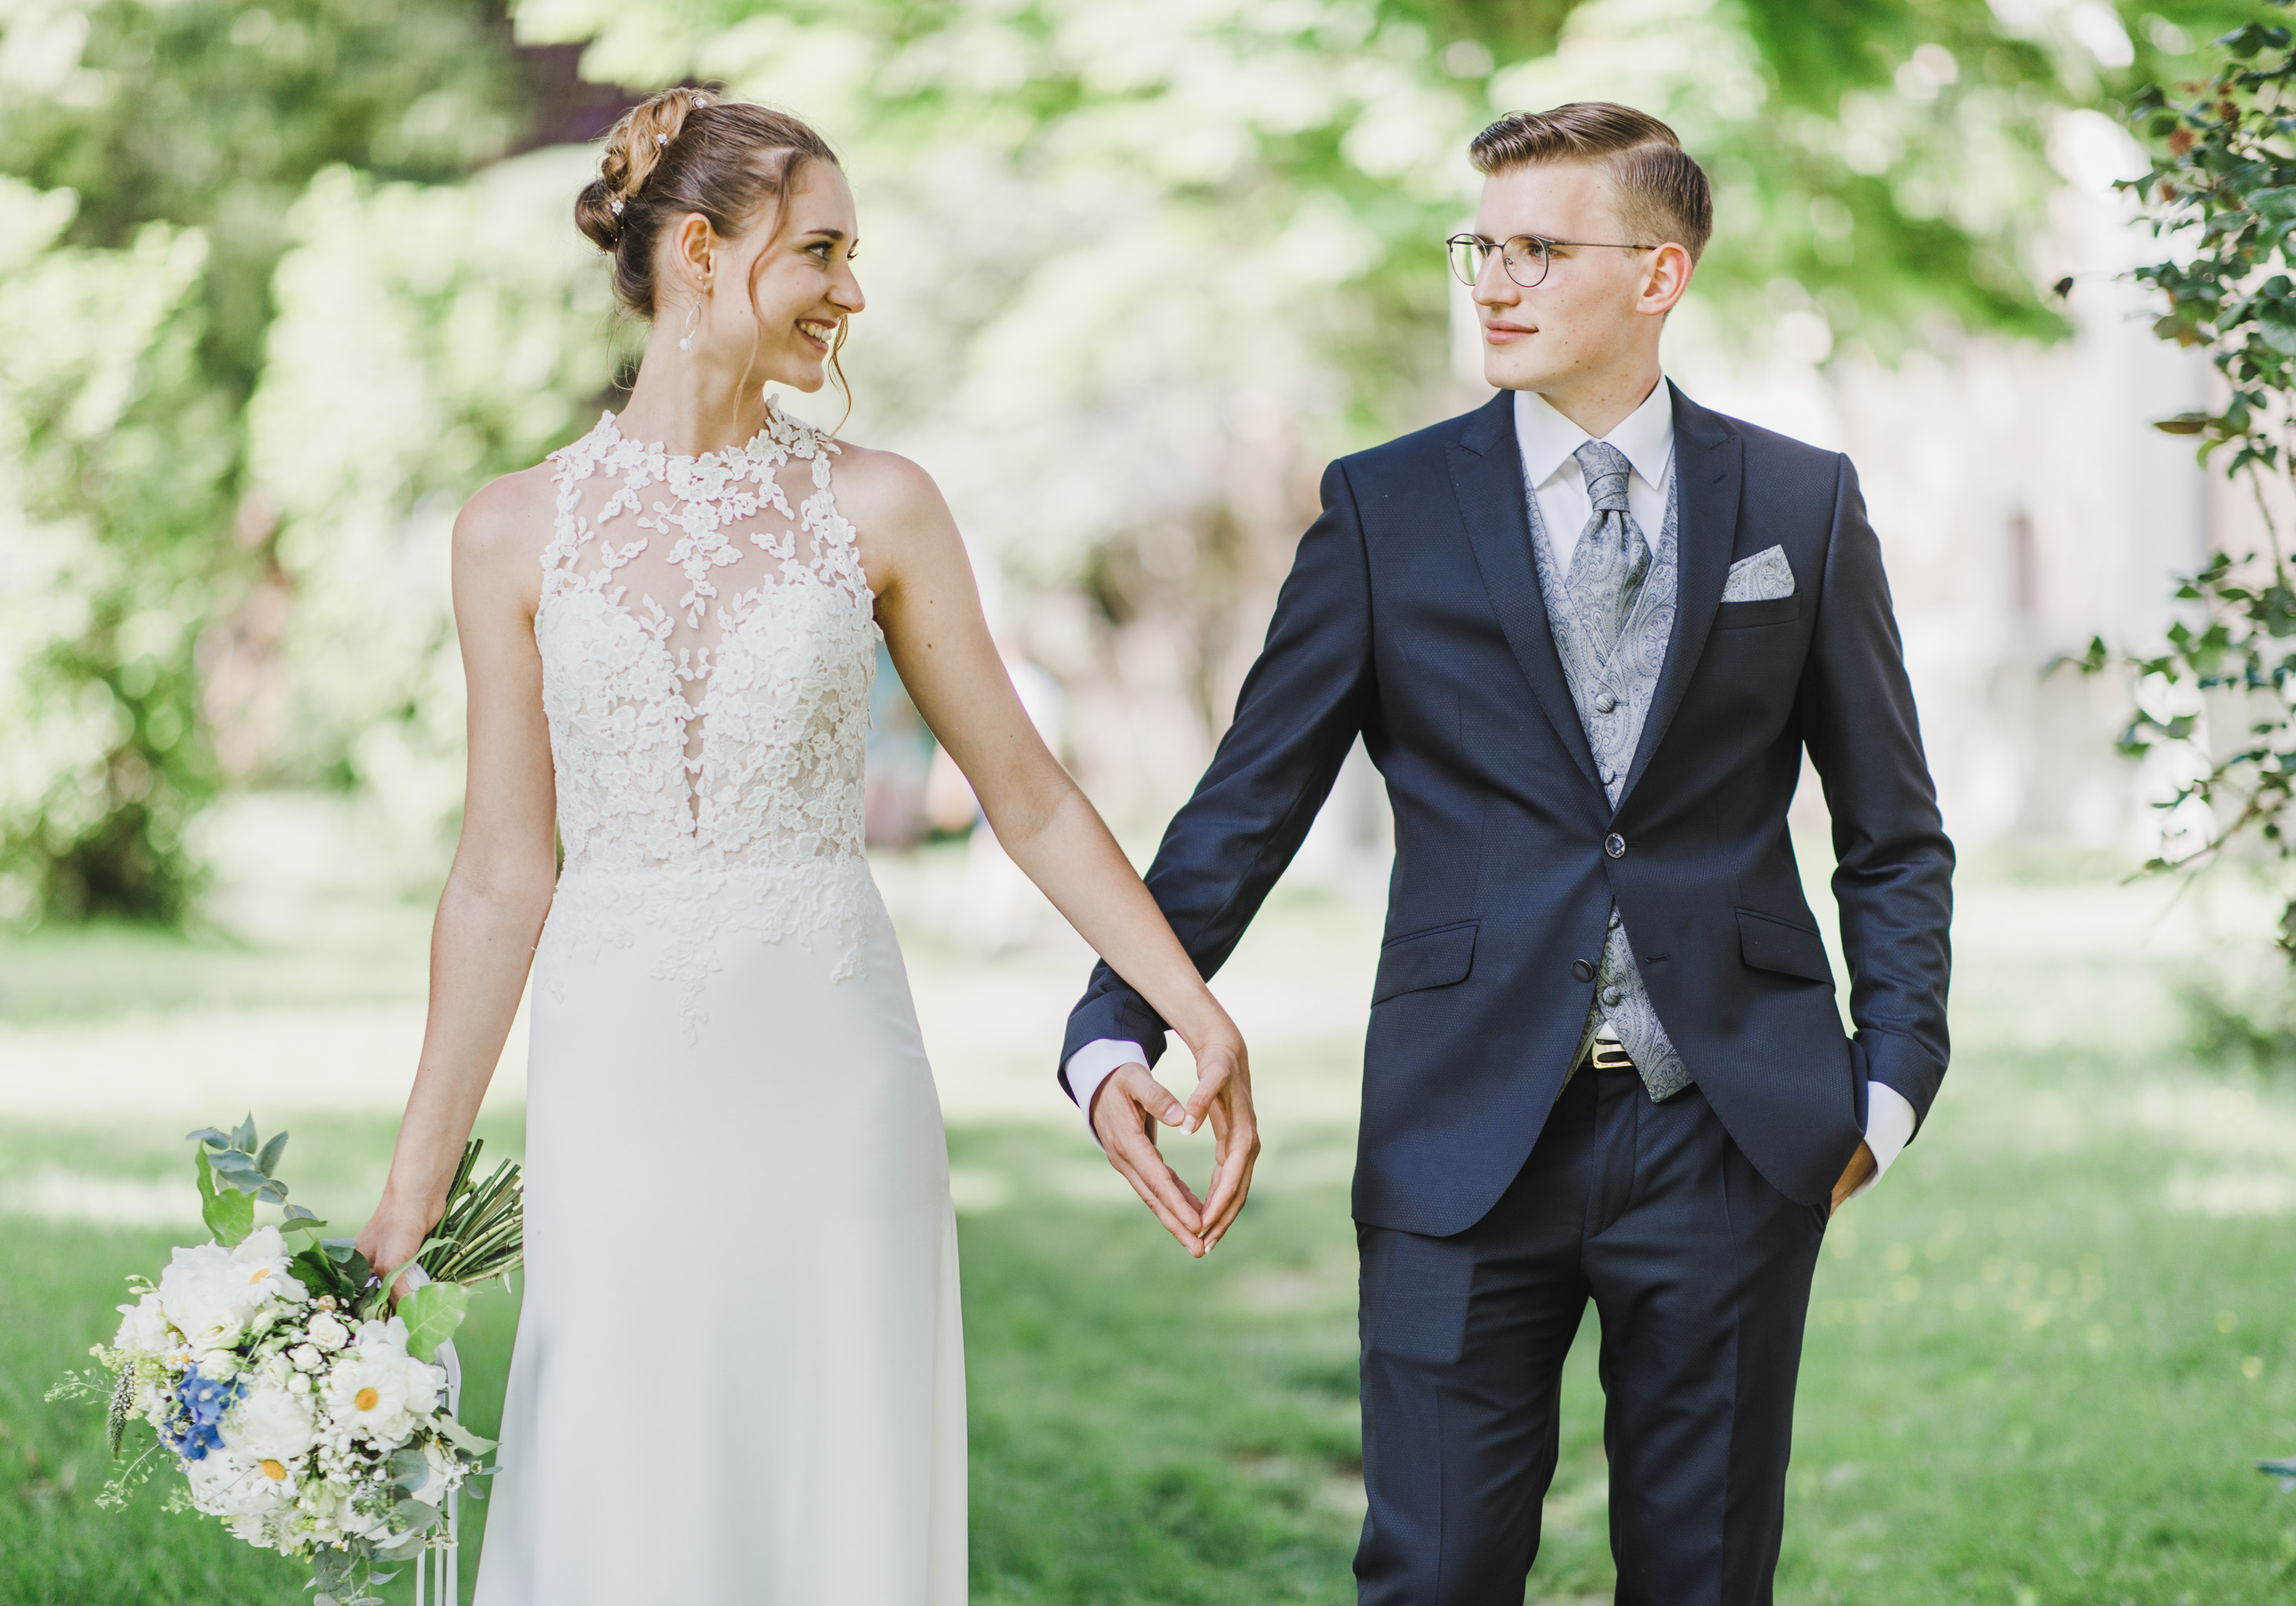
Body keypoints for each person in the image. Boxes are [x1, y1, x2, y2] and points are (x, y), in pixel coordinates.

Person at [351, 85, 1258, 1604]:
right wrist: (410, 1185)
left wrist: (1189, 1000)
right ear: (699, 253)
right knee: (623, 1477)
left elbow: (1025, 791)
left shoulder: (883, 507)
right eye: (821, 251)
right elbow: (506, 872)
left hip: (835, 1077)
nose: (853, 289)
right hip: (618, 1078)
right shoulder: (512, 532)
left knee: (834, 1486)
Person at [1060, 102, 1953, 1604]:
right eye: (1483, 246)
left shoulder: (1801, 503)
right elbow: (1243, 808)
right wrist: (1113, 1026)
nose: (1494, 281)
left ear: (1659, 276)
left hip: (1736, 1127)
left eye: (1541, 248)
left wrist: (1892, 1084)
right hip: (1462, 1127)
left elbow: (1892, 828)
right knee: (1436, 1574)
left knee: (1705, 1578)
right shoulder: (1384, 508)